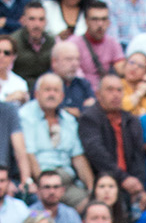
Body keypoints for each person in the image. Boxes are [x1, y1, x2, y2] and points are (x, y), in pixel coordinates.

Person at [20, 69, 92, 205]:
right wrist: (46, 186)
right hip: (40, 180)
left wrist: (91, 188)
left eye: (56, 90)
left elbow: (78, 157)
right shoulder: (25, 116)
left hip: (66, 181)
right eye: (47, 90)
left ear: (62, 96)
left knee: (90, 204)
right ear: (36, 94)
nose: (51, 94)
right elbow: (29, 154)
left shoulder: (69, 120)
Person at [77, 72, 146, 209]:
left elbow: (138, 156)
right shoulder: (89, 118)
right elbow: (97, 153)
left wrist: (138, 185)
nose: (115, 94)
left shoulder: (131, 120)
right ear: (98, 94)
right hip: (101, 180)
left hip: (130, 182)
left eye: (119, 90)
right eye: (110, 90)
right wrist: (124, 178)